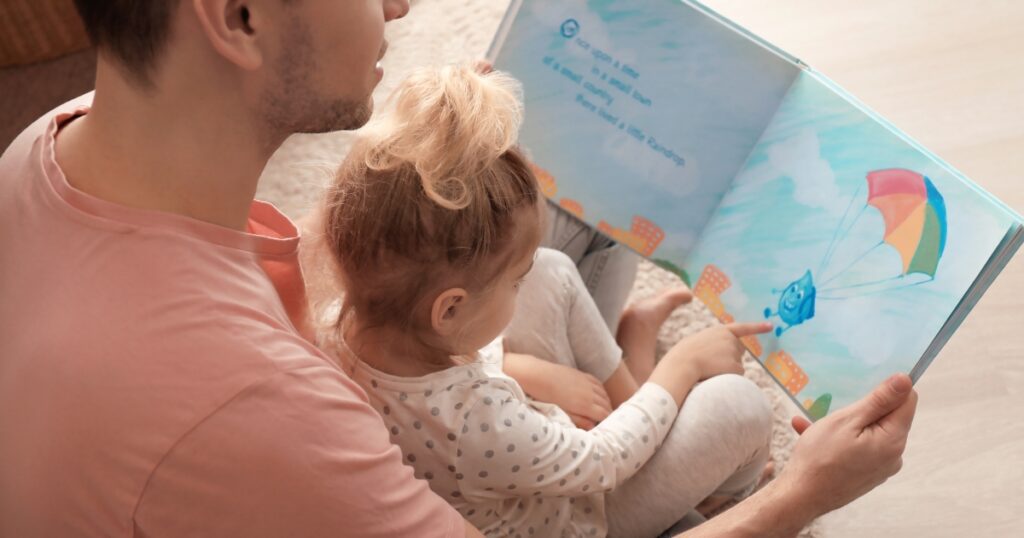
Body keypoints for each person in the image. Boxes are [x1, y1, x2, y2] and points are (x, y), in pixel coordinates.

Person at [0, 1, 918, 537]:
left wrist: (508, 362)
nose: (400, 5)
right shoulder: (261, 415)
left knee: (538, 224)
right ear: (239, 15)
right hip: (504, 488)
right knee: (698, 382)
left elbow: (375, 281)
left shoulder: (50, 147)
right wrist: (804, 495)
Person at [317, 63, 778, 537]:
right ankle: (721, 498)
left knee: (554, 268)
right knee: (737, 405)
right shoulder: (474, 422)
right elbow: (605, 460)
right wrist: (680, 368)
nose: (520, 286)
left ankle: (638, 376)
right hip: (581, 511)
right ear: (449, 309)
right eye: (515, 283)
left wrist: (524, 369)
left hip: (540, 455)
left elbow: (457, 360)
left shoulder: (344, 323)